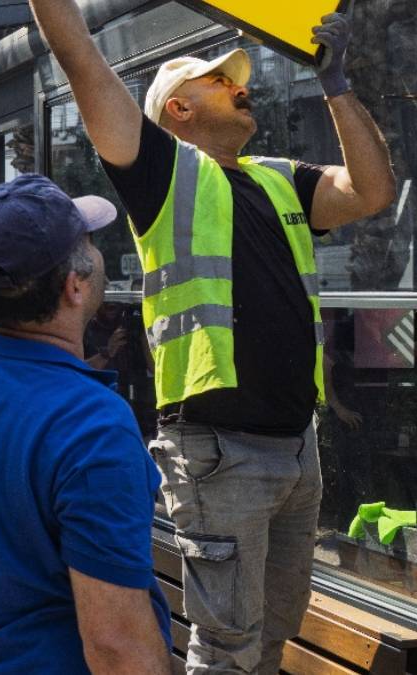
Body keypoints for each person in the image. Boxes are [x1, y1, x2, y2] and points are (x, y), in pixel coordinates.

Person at [29, 1, 397, 672]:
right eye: (219, 81)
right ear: (179, 110)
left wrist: (337, 87)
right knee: (226, 648)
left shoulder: (278, 178)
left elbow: (372, 190)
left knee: (272, 634)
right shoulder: (163, 173)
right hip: (218, 451)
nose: (241, 85)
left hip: (295, 449)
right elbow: (81, 60)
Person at [0, 174, 171, 674]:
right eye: (89, 243)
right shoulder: (91, 427)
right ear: (75, 285)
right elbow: (117, 648)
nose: (98, 253)